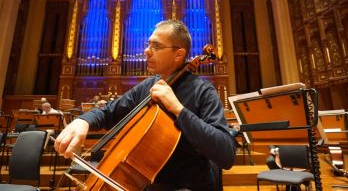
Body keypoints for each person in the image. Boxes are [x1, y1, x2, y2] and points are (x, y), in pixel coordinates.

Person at [54, 19, 235, 190]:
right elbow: (108, 112)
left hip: (189, 187)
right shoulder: (148, 86)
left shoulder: (203, 91)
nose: (147, 51)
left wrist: (178, 109)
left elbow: (226, 154)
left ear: (179, 55)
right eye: (148, 44)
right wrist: (83, 122)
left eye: (156, 46)